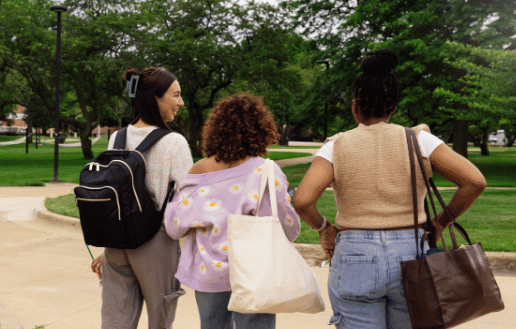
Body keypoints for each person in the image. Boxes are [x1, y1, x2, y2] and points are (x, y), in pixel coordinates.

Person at [292, 49, 487, 329]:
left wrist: (324, 228)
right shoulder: (420, 140)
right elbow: (474, 182)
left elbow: (303, 200)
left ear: (355, 105)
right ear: (393, 106)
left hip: (354, 253)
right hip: (413, 251)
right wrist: (440, 221)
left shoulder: (336, 145)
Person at [164, 94, 300, 329]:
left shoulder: (200, 170)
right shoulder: (267, 171)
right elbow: (289, 228)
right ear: (261, 129)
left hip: (210, 274)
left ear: (215, 128)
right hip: (256, 274)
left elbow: (174, 226)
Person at [90, 67, 193, 329]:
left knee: (115, 318)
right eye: (176, 95)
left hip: (117, 242)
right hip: (156, 242)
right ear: (154, 98)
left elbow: (115, 193)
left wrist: (109, 246)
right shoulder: (174, 142)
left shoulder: (117, 137)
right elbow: (190, 202)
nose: (181, 102)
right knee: (160, 319)